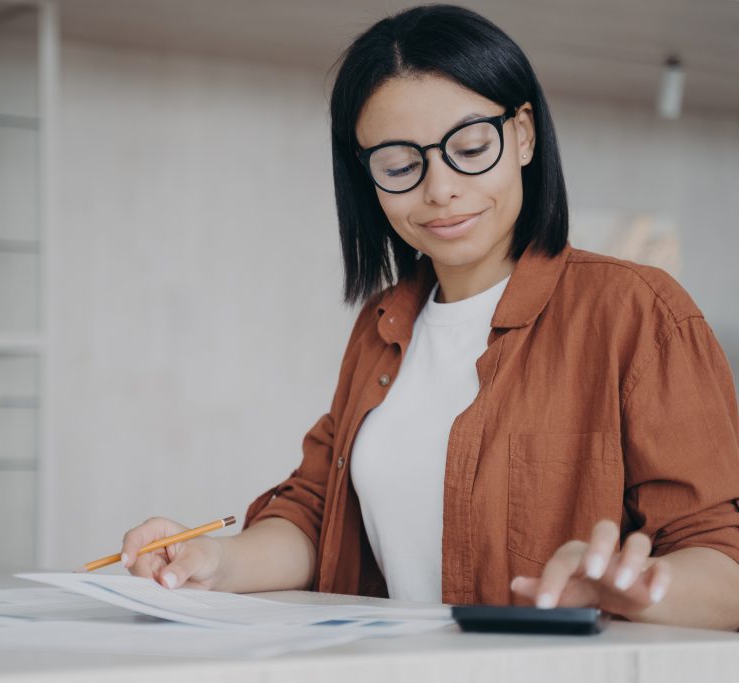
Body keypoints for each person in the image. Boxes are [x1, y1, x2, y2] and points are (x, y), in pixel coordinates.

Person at [119, 4, 739, 630]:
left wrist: (628, 590)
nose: (440, 187)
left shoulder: (638, 312)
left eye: (470, 147)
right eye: (399, 165)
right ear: (366, 178)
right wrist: (211, 562)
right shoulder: (382, 325)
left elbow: (724, 562)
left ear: (523, 134)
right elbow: (317, 514)